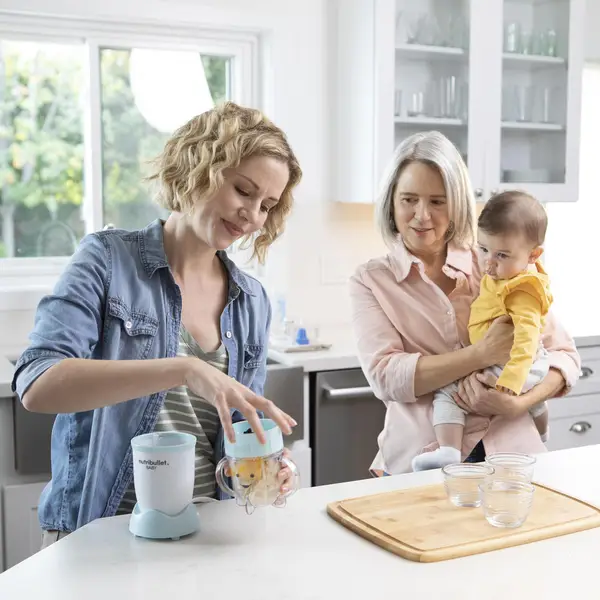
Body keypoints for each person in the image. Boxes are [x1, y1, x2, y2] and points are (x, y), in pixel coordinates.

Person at [11, 101, 302, 547]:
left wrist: (269, 467)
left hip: (207, 535)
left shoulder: (251, 301)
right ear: (198, 167)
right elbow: (37, 384)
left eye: (267, 205)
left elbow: (238, 436)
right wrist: (185, 368)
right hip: (101, 533)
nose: (252, 215)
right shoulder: (107, 262)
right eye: (243, 190)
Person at [349, 131, 580, 477]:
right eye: (409, 199)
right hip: (422, 460)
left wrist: (518, 402)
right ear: (391, 202)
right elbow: (386, 377)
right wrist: (481, 354)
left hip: (514, 457)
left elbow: (564, 355)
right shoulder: (371, 280)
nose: (421, 215)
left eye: (437, 202)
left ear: (456, 203)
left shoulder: (492, 262)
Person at [413, 190, 553, 472]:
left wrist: (511, 384)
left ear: (533, 255)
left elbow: (526, 340)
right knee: (534, 397)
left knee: (450, 391)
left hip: (516, 364)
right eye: (484, 249)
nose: (489, 262)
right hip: (518, 364)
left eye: (501, 254)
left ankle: (448, 451)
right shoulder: (504, 273)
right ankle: (543, 430)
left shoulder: (523, 289)